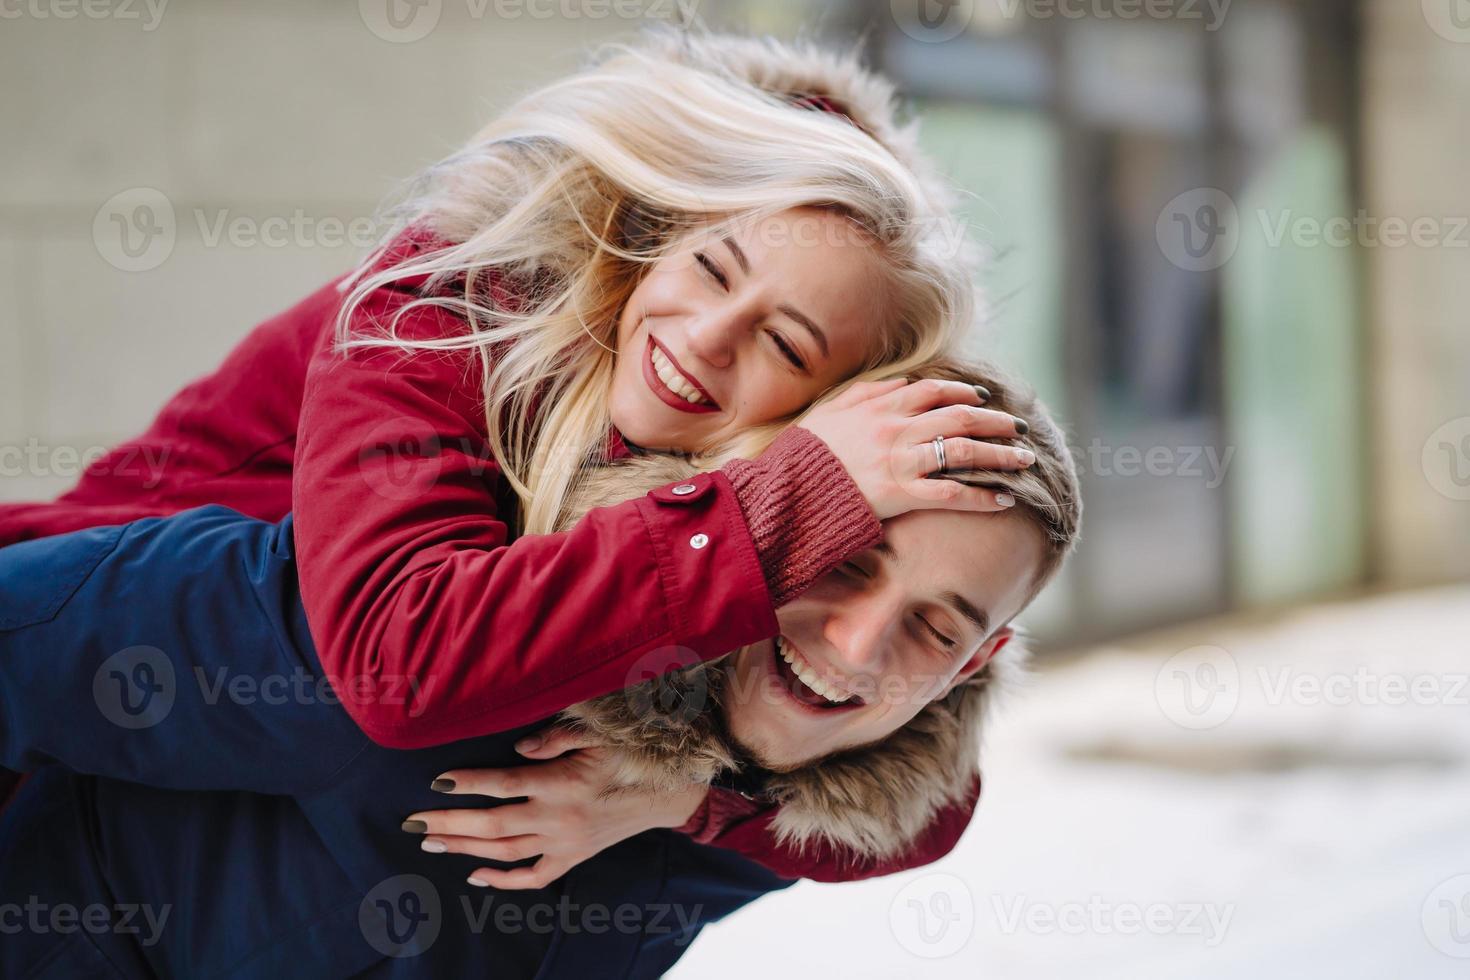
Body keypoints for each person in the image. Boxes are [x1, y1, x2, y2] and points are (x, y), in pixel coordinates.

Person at [0, 27, 1030, 879]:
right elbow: (392, 660)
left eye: (787, 343)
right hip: (70, 667)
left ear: (827, 403)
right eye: (714, 266)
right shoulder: (457, 294)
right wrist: (783, 504)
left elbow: (923, 793)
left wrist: (692, 797)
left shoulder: (736, 469)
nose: (712, 336)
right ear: (658, 227)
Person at [0, 358, 1080, 978]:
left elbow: (923, 813)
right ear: (767, 499)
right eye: (842, 560)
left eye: (935, 629)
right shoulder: (424, 625)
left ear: (975, 666)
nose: (855, 645)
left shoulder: (810, 787)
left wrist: (701, 802)